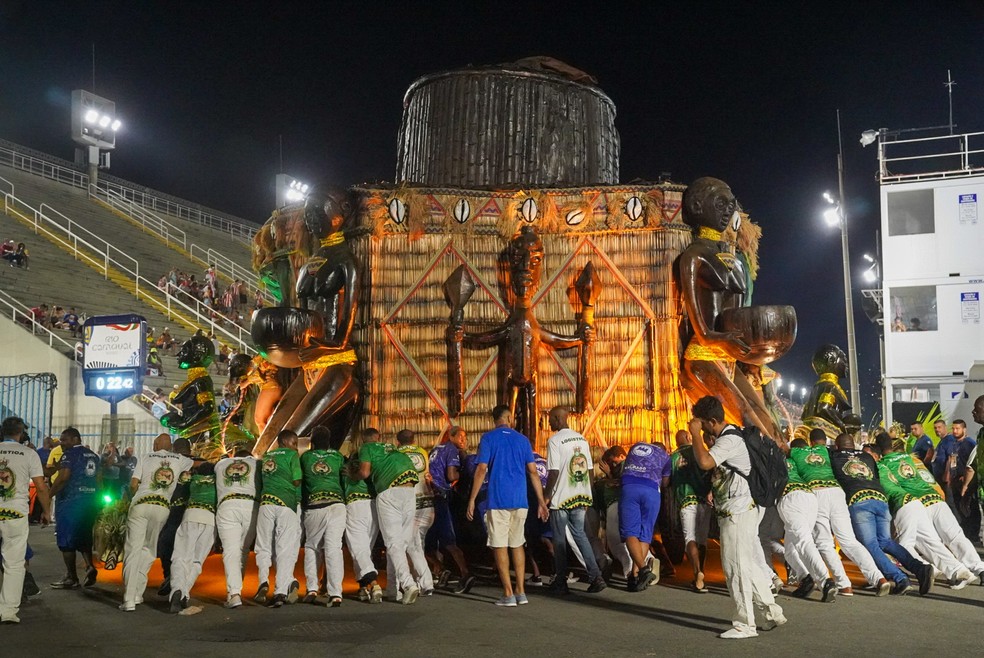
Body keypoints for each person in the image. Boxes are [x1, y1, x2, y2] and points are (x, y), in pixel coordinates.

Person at [688, 396, 785, 640]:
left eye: (702, 423)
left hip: (738, 512)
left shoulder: (730, 439)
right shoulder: (732, 436)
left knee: (735, 567)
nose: (700, 427)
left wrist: (695, 435)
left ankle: (745, 624)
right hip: (740, 509)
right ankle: (771, 612)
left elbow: (705, 462)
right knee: (748, 565)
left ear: (711, 421)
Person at [829, 433, 935, 595]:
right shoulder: (866, 456)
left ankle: (900, 579)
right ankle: (920, 568)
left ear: (837, 446)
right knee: (885, 541)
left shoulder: (833, 456)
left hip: (859, 500)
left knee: (870, 544)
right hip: (880, 498)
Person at [467, 405, 549, 607]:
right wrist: (541, 501)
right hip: (520, 500)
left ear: (494, 419)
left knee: (499, 544)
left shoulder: (488, 438)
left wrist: (472, 499)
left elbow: (481, 469)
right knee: (517, 544)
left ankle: (508, 593)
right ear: (509, 417)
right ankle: (521, 592)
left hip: (498, 500)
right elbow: (533, 472)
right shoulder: (522, 440)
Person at [790, 429, 889, 596]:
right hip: (836, 492)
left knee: (824, 543)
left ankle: (844, 584)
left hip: (817, 492)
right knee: (849, 541)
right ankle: (879, 579)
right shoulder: (824, 451)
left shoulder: (794, 453)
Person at [873, 434, 976, 589]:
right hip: (932, 498)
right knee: (940, 539)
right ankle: (960, 570)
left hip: (911, 503)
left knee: (905, 545)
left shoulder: (882, 464)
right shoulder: (909, 458)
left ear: (879, 450)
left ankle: (928, 569)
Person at [121, 433, 193, 611]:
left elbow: (133, 484)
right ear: (169, 447)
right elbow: (193, 463)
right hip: (161, 508)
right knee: (148, 550)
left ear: (155, 444)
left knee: (133, 551)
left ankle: (129, 599)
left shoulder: (144, 457)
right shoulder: (180, 459)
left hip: (141, 505)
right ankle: (138, 593)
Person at [352, 431, 422, 605]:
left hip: (389, 490)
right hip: (410, 489)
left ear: (364, 439)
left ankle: (408, 584)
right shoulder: (390, 447)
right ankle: (392, 589)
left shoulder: (366, 447)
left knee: (393, 543)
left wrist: (353, 475)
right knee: (399, 544)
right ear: (378, 438)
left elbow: (365, 472)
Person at [543, 406, 606, 594]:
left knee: (559, 540)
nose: (549, 423)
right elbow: (589, 470)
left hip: (561, 498)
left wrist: (547, 495)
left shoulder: (554, 441)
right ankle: (596, 577)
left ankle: (561, 581)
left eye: (550, 419)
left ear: (557, 418)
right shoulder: (581, 438)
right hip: (580, 497)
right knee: (580, 535)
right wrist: (589, 492)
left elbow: (553, 472)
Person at [0, 417, 52, 624]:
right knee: (14, 563)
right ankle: (8, 612)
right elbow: (40, 486)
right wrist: (46, 511)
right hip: (15, 513)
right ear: (21, 433)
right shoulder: (29, 453)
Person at [778, 438, 837, 602]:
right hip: (808, 497)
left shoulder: (771, 459)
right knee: (791, 549)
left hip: (790, 498)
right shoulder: (794, 459)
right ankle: (806, 579)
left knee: (803, 543)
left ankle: (826, 581)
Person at [254, 429, 302, 607]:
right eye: (294, 443)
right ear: (288, 442)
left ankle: (263, 581)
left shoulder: (268, 455)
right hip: (286, 504)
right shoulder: (292, 455)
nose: (295, 446)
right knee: (284, 548)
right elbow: (297, 480)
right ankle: (280, 591)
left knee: (263, 546)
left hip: (266, 503)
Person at [48, 427, 101, 590]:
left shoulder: (69, 454)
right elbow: (99, 480)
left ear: (75, 439)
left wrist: (48, 495)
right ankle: (90, 566)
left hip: (71, 502)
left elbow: (63, 478)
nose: (62, 443)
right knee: (84, 535)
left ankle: (71, 577)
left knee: (66, 540)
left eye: (65, 440)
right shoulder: (94, 456)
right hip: (90, 502)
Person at [300, 426, 346, 607]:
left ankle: (312, 588)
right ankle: (336, 593)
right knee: (333, 548)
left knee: (312, 547)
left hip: (315, 505)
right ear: (329, 441)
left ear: (312, 442)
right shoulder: (337, 456)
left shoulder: (305, 457)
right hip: (336, 504)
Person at [619, 433, 671, 593]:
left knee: (630, 533)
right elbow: (665, 483)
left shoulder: (636, 445)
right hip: (652, 492)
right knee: (644, 534)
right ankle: (635, 575)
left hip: (629, 487)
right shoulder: (666, 456)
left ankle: (642, 570)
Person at [426, 426, 474, 593]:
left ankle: (439, 569)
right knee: (449, 539)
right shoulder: (451, 449)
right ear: (450, 436)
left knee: (428, 541)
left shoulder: (435, 449)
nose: (463, 440)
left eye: (465, 437)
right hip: (441, 495)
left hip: (429, 495)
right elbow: (451, 476)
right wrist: (466, 473)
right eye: (460, 436)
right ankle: (465, 574)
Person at [168, 461, 218, 613]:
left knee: (180, 557)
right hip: (210, 520)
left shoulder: (192, 480)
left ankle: (178, 589)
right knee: (197, 561)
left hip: (191, 516)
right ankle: (184, 592)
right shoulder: (218, 482)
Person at [214, 446, 259, 609]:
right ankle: (235, 590)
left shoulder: (221, 464)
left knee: (230, 551)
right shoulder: (256, 464)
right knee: (243, 550)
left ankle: (234, 594)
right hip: (251, 506)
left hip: (228, 505)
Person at [394, 428, 436, 597]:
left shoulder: (396, 454)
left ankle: (423, 582)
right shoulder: (422, 452)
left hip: (410, 504)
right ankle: (418, 580)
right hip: (427, 503)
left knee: (411, 545)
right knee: (418, 543)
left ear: (398, 441)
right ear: (414, 439)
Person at [671, 428, 712, 592]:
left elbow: (666, 481)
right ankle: (701, 571)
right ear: (689, 437)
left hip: (687, 501)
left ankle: (697, 574)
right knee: (702, 540)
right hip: (704, 500)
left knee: (690, 539)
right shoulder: (700, 452)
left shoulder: (673, 457)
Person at [343, 428, 382, 603]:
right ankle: (362, 588)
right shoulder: (376, 461)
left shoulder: (347, 466)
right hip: (373, 505)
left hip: (355, 504)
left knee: (358, 548)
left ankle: (373, 583)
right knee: (365, 548)